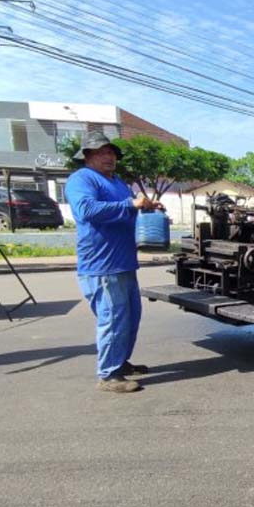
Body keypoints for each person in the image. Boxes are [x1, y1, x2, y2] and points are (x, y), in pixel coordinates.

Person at [65, 131, 162, 393]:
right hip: (101, 266)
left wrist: (147, 207)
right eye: (101, 153)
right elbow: (86, 210)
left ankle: (120, 363)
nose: (109, 157)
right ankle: (108, 375)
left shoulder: (117, 182)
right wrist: (131, 204)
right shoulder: (82, 179)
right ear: (87, 156)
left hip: (124, 263)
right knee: (113, 320)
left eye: (111, 153)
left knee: (129, 319)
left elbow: (128, 208)